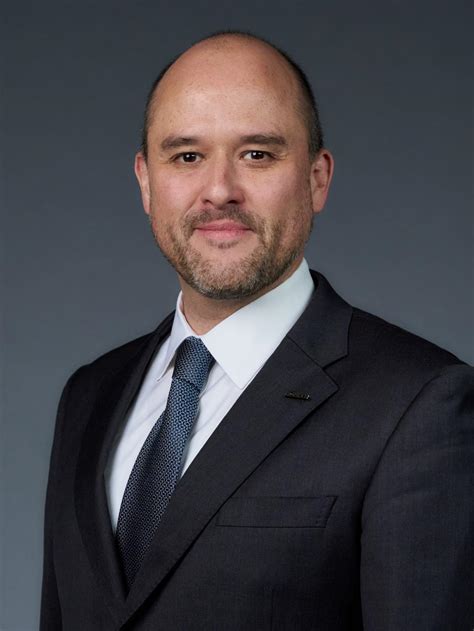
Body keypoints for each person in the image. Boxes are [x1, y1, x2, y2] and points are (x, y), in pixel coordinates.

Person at [40, 31, 473, 630]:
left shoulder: (418, 404)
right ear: (145, 181)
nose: (219, 190)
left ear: (317, 179)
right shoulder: (89, 395)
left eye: (257, 154)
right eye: (186, 156)